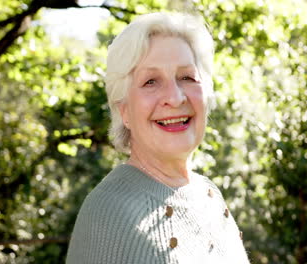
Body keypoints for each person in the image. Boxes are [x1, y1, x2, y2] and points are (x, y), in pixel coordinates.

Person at [66, 12, 250, 263]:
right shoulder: (109, 211)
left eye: (187, 77)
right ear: (124, 111)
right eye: (151, 81)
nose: (175, 98)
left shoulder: (209, 194)